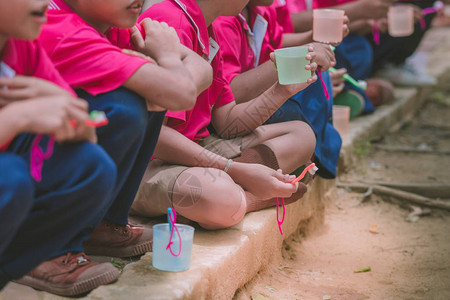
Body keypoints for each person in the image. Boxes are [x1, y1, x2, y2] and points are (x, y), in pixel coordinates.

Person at [39, 0, 211, 258]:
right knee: (129, 104)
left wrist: (168, 80)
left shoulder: (113, 24)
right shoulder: (61, 27)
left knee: (150, 92)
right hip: (24, 176)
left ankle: (102, 225)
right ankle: (47, 249)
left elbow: (201, 69)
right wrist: (168, 60)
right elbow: (182, 92)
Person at [131, 0, 317, 230]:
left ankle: (229, 193)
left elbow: (227, 122)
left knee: (301, 133)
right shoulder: (173, 24)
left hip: (189, 151)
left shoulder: (205, 26)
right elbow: (156, 138)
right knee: (221, 197)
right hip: (143, 165)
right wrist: (236, 169)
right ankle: (250, 198)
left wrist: (281, 90)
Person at [0, 0, 119, 295]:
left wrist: (56, 97)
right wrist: (18, 117)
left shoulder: (20, 45)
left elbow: (86, 133)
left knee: (92, 166)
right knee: (10, 177)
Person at [213, 0, 343, 178]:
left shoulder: (260, 10)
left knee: (314, 85)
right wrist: (301, 55)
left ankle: (310, 158)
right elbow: (230, 95)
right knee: (292, 113)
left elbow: (276, 43)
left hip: (237, 114)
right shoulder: (223, 19)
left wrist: (313, 39)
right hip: (228, 117)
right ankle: (239, 173)